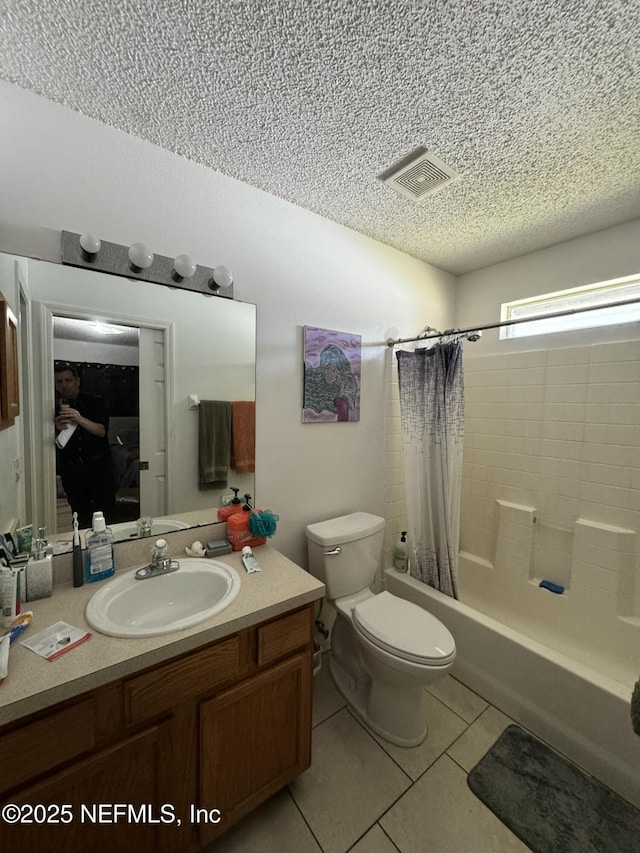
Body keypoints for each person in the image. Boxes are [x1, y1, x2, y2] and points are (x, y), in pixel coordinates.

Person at [54, 363, 116, 529]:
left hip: (99, 468)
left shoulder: (95, 402)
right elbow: (51, 442)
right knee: (79, 516)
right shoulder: (51, 406)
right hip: (71, 471)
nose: (64, 385)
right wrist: (56, 429)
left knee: (106, 514)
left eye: (68, 380)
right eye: (59, 381)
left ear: (78, 381)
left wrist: (79, 419)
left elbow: (101, 431)